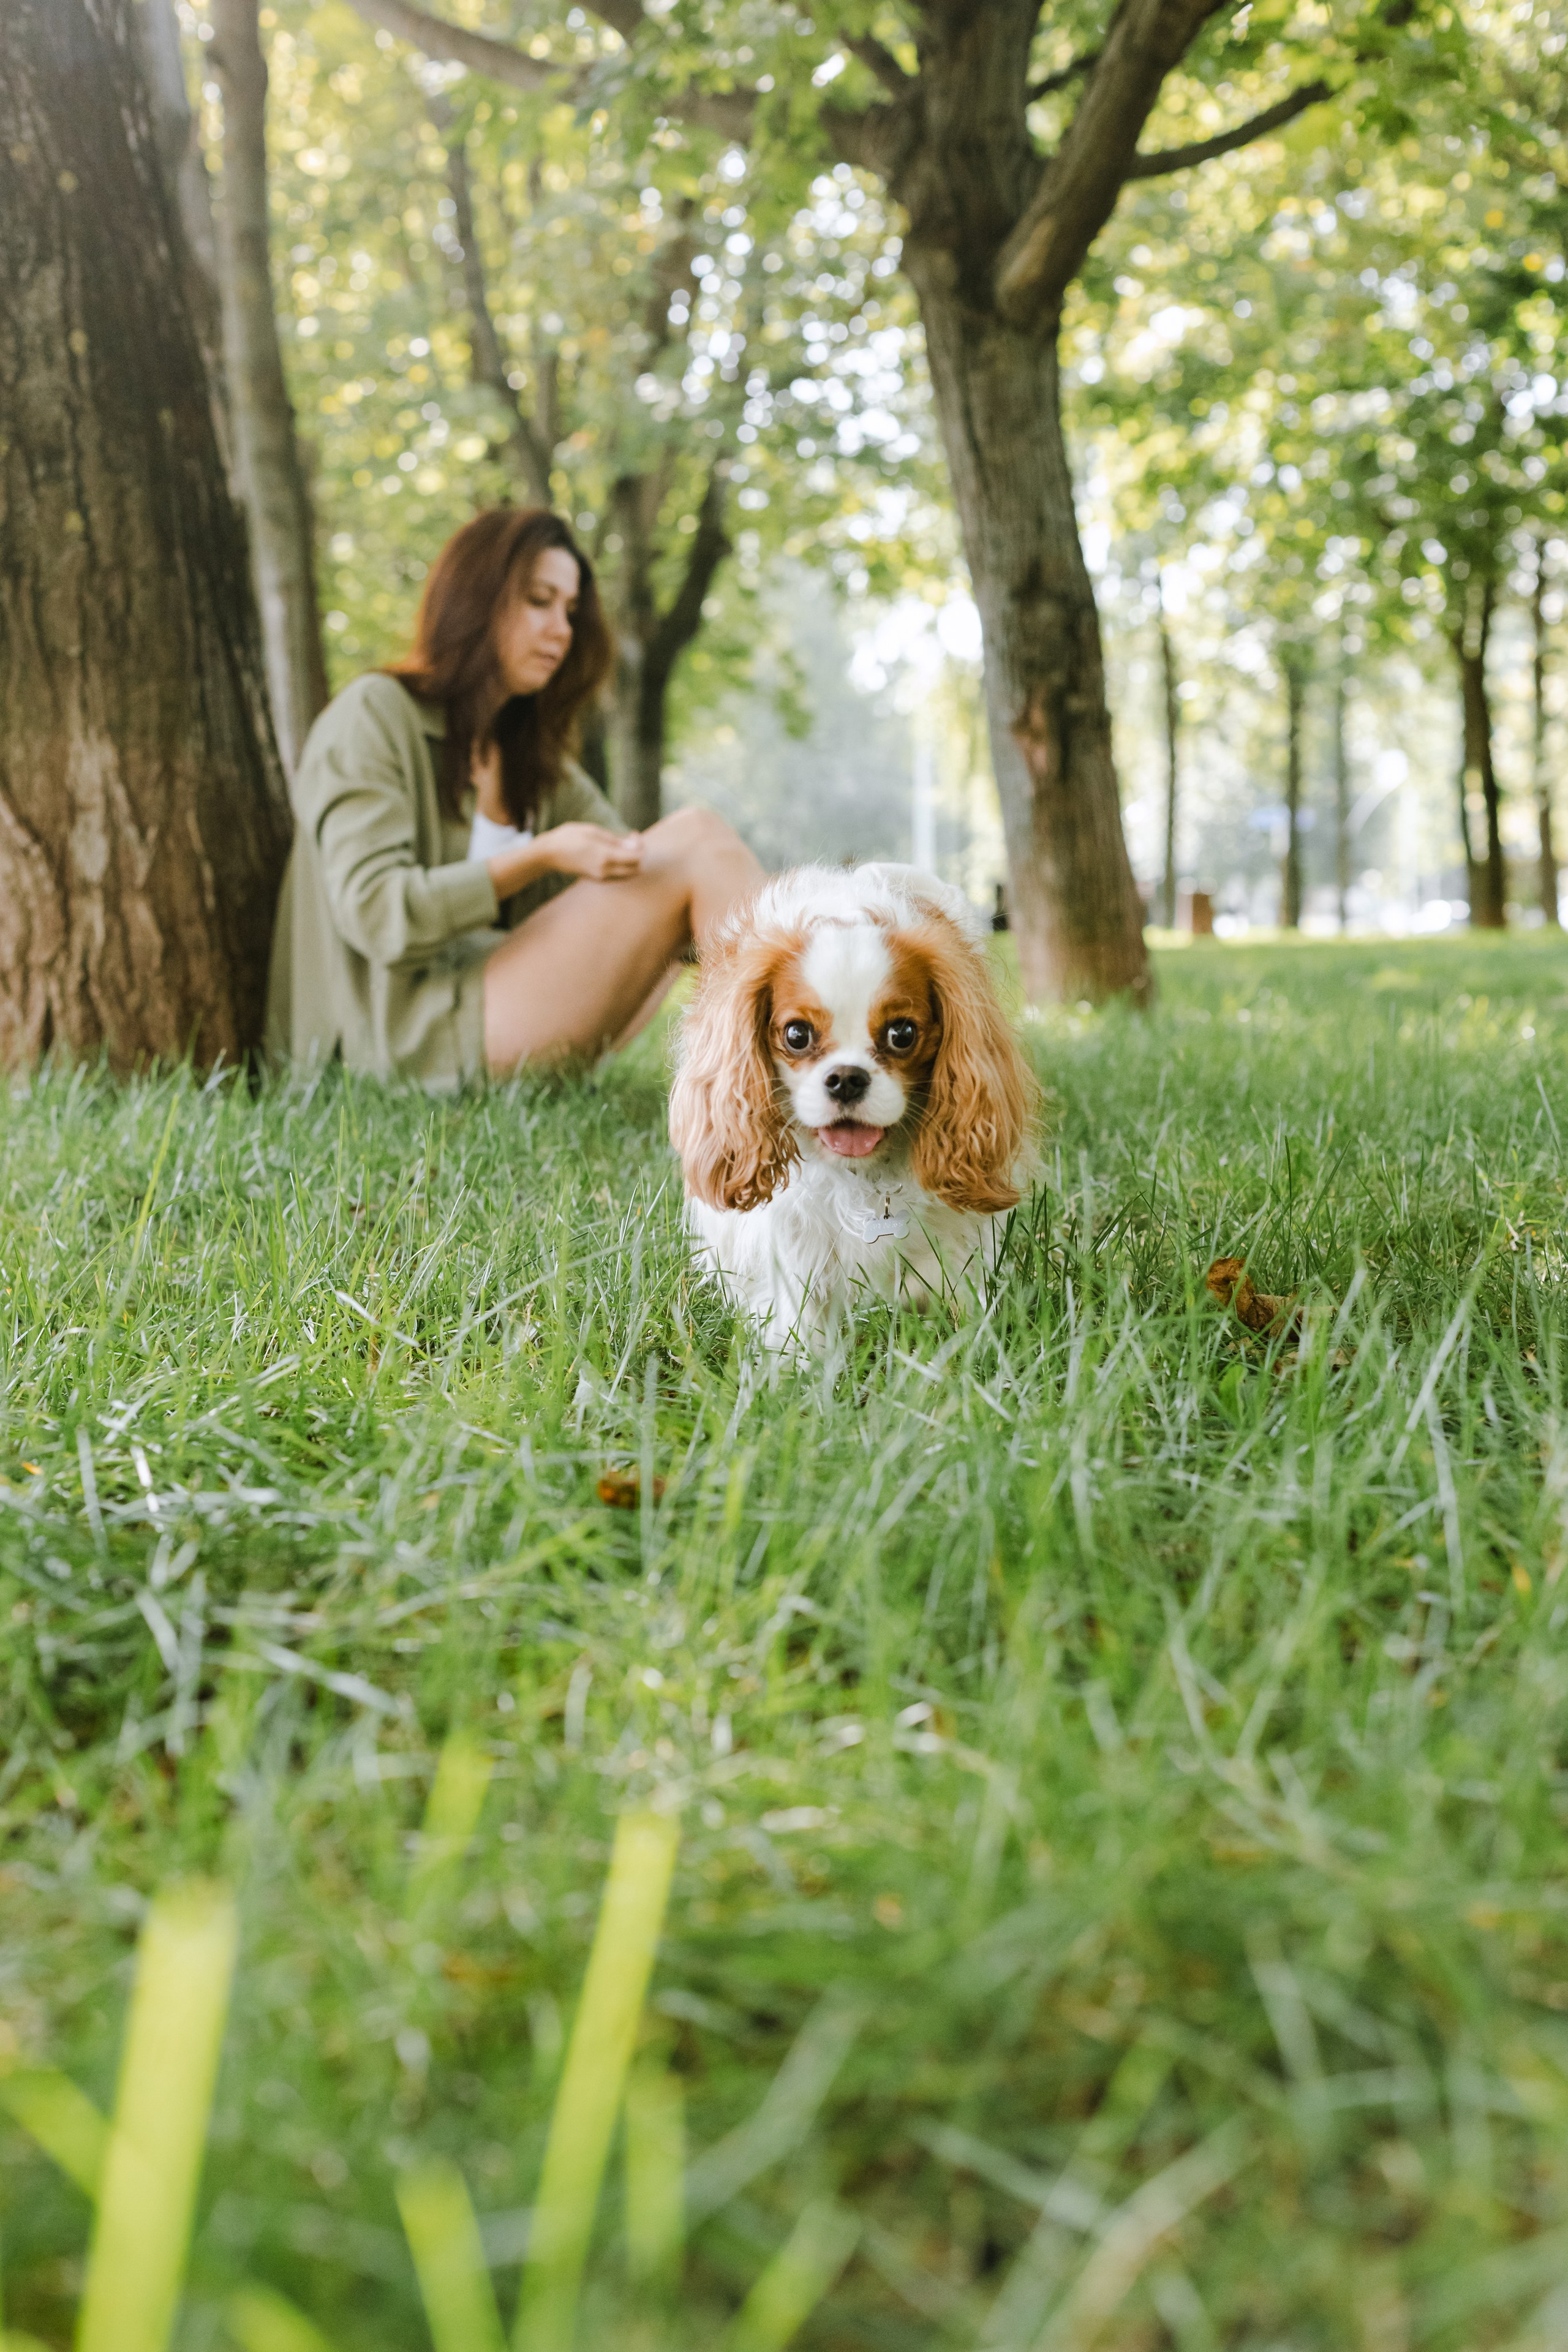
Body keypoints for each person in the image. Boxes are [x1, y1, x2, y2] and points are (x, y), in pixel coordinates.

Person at [265, 507, 763, 1085]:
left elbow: (653, 870)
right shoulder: (374, 714)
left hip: (494, 1009)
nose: (561, 629)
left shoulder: (531, 757)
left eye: (571, 611)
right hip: (394, 1034)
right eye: (538, 601)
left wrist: (718, 920)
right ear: (475, 600)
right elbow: (379, 914)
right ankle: (798, 1061)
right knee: (696, 835)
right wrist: (538, 856)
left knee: (697, 844)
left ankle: (811, 1033)